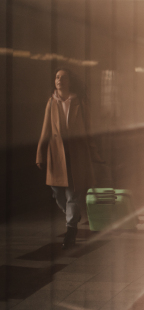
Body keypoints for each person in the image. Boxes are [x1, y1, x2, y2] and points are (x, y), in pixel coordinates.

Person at [36, 68, 102, 249]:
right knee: (57, 193)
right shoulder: (51, 102)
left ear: (70, 81)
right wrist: (40, 153)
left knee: (72, 194)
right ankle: (72, 215)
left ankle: (71, 231)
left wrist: (94, 152)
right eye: (57, 77)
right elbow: (45, 131)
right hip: (56, 155)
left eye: (63, 78)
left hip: (76, 154)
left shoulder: (79, 102)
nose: (59, 80)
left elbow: (88, 131)